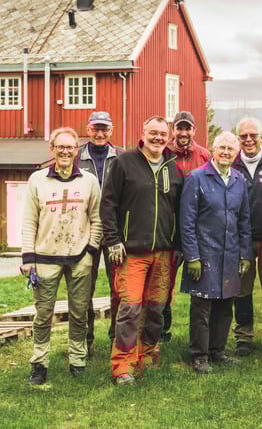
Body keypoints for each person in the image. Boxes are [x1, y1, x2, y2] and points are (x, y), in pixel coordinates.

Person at [101, 116, 183, 386]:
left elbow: (179, 212)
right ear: (143, 133)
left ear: (169, 137)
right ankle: (122, 365)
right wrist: (113, 240)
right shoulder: (124, 162)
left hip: (163, 251)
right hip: (131, 252)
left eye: (163, 134)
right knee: (130, 309)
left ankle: (148, 354)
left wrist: (179, 245)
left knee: (156, 308)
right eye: (153, 133)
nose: (158, 138)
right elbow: (108, 204)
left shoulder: (174, 168)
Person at [20, 127, 102, 385]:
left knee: (79, 312)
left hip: (80, 257)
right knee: (43, 314)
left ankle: (77, 359)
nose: (65, 151)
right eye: (60, 146)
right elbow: (28, 221)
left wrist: (90, 251)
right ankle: (39, 363)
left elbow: (97, 218)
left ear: (76, 151)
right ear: (52, 149)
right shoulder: (37, 180)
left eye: (70, 147)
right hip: (44, 257)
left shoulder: (89, 180)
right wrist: (27, 258)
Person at [180, 132, 252, 374]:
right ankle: (199, 355)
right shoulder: (197, 178)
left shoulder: (239, 180)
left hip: (230, 252)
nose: (226, 152)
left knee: (225, 302)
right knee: (202, 305)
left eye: (231, 149)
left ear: (237, 152)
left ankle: (218, 350)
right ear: (212, 149)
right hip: (204, 253)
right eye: (222, 147)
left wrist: (245, 253)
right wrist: (192, 257)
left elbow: (244, 219)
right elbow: (186, 222)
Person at [230, 116, 262, 356]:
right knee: (242, 290)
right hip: (241, 240)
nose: (248, 140)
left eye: (253, 135)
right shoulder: (230, 164)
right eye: (243, 136)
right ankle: (243, 336)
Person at [160, 110, 212, 342]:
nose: (183, 133)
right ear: (173, 130)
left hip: (196, 231)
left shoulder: (204, 155)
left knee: (200, 281)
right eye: (179, 128)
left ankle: (201, 334)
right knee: (163, 283)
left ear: (194, 130)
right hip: (168, 229)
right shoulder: (163, 154)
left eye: (187, 128)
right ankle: (161, 330)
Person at [77, 110, 124, 355]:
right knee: (84, 288)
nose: (100, 133)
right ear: (88, 129)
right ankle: (85, 340)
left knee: (119, 288)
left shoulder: (123, 158)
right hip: (85, 234)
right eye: (96, 128)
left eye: (104, 128)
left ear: (111, 131)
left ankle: (117, 338)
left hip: (115, 233)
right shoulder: (76, 157)